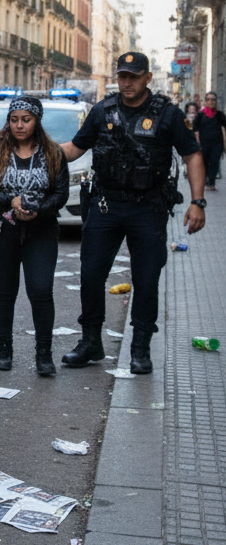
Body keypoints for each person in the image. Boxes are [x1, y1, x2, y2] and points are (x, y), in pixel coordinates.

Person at [59, 52, 206, 375]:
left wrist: (198, 202)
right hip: (106, 205)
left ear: (147, 78)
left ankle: (140, 348)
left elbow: (192, 155)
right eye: (123, 76)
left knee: (146, 278)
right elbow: (75, 148)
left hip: (147, 207)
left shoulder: (167, 114)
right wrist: (40, 151)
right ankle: (90, 342)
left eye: (134, 76)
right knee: (91, 274)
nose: (127, 82)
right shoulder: (102, 111)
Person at [0, 96, 69, 377]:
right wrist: (9, 201)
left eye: (26, 120)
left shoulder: (53, 153)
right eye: (14, 120)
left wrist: (39, 209)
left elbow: (61, 193)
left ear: (37, 121)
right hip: (2, 231)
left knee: (41, 291)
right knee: (4, 293)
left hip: (41, 231)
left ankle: (44, 354)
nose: (19, 125)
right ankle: (4, 350)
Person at [199, 91, 226, 190]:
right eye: (209, 99)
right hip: (204, 144)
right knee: (204, 163)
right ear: (206, 101)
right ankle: (205, 179)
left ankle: (211, 182)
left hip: (217, 144)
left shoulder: (219, 115)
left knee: (215, 162)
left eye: (213, 100)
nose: (211, 101)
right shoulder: (201, 115)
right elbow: (193, 127)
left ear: (216, 101)